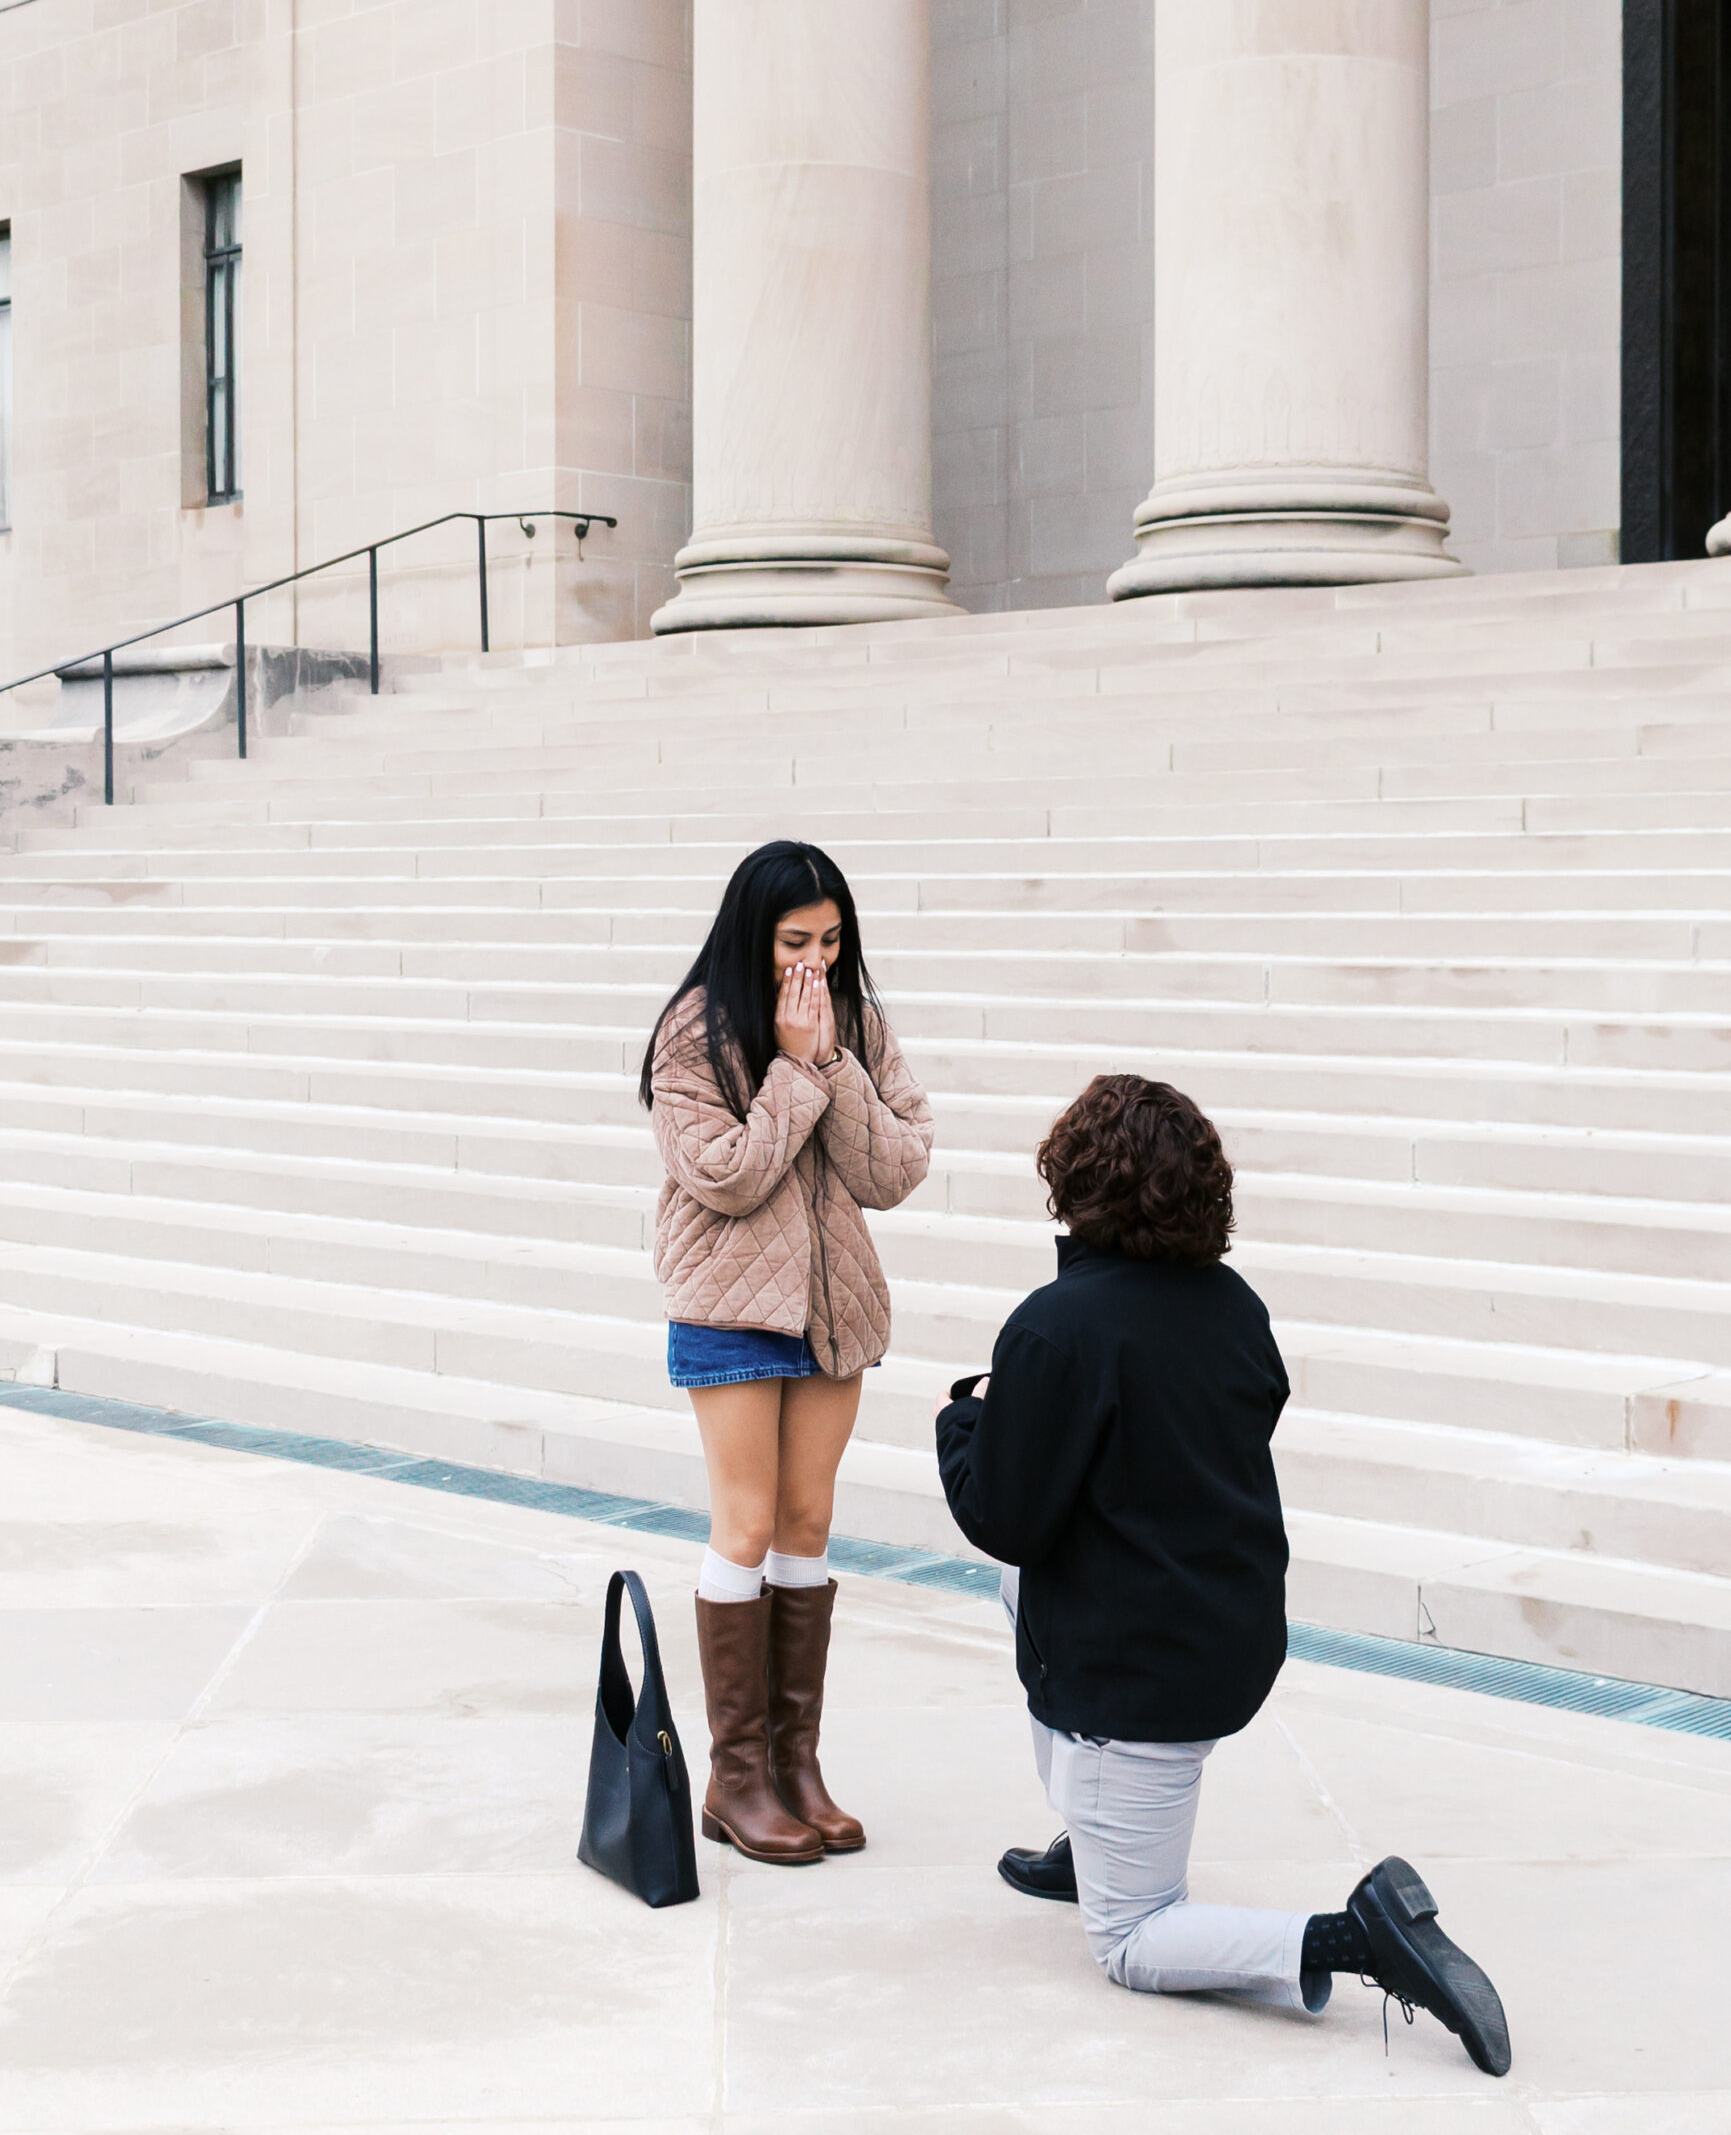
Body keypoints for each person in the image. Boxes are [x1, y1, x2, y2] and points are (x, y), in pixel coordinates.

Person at [934, 1074, 1511, 2077]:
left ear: (1071, 1187)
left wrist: (967, 1417)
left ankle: (1361, 1935)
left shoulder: (1054, 1328)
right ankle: (1093, 1834)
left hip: (1140, 1676)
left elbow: (1003, 1515)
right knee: (1025, 1593)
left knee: (1131, 1941)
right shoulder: (1235, 1308)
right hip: (1228, 1635)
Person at [641, 839, 933, 1866]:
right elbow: (722, 1174)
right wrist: (787, 1071)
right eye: (793, 940)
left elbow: (893, 1163)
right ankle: (735, 1775)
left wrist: (824, 1060)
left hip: (828, 1306)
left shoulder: (851, 1021)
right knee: (747, 1522)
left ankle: (794, 1767)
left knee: (808, 1523)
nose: (814, 959)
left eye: (831, 939)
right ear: (750, 936)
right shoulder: (694, 1030)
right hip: (727, 1304)